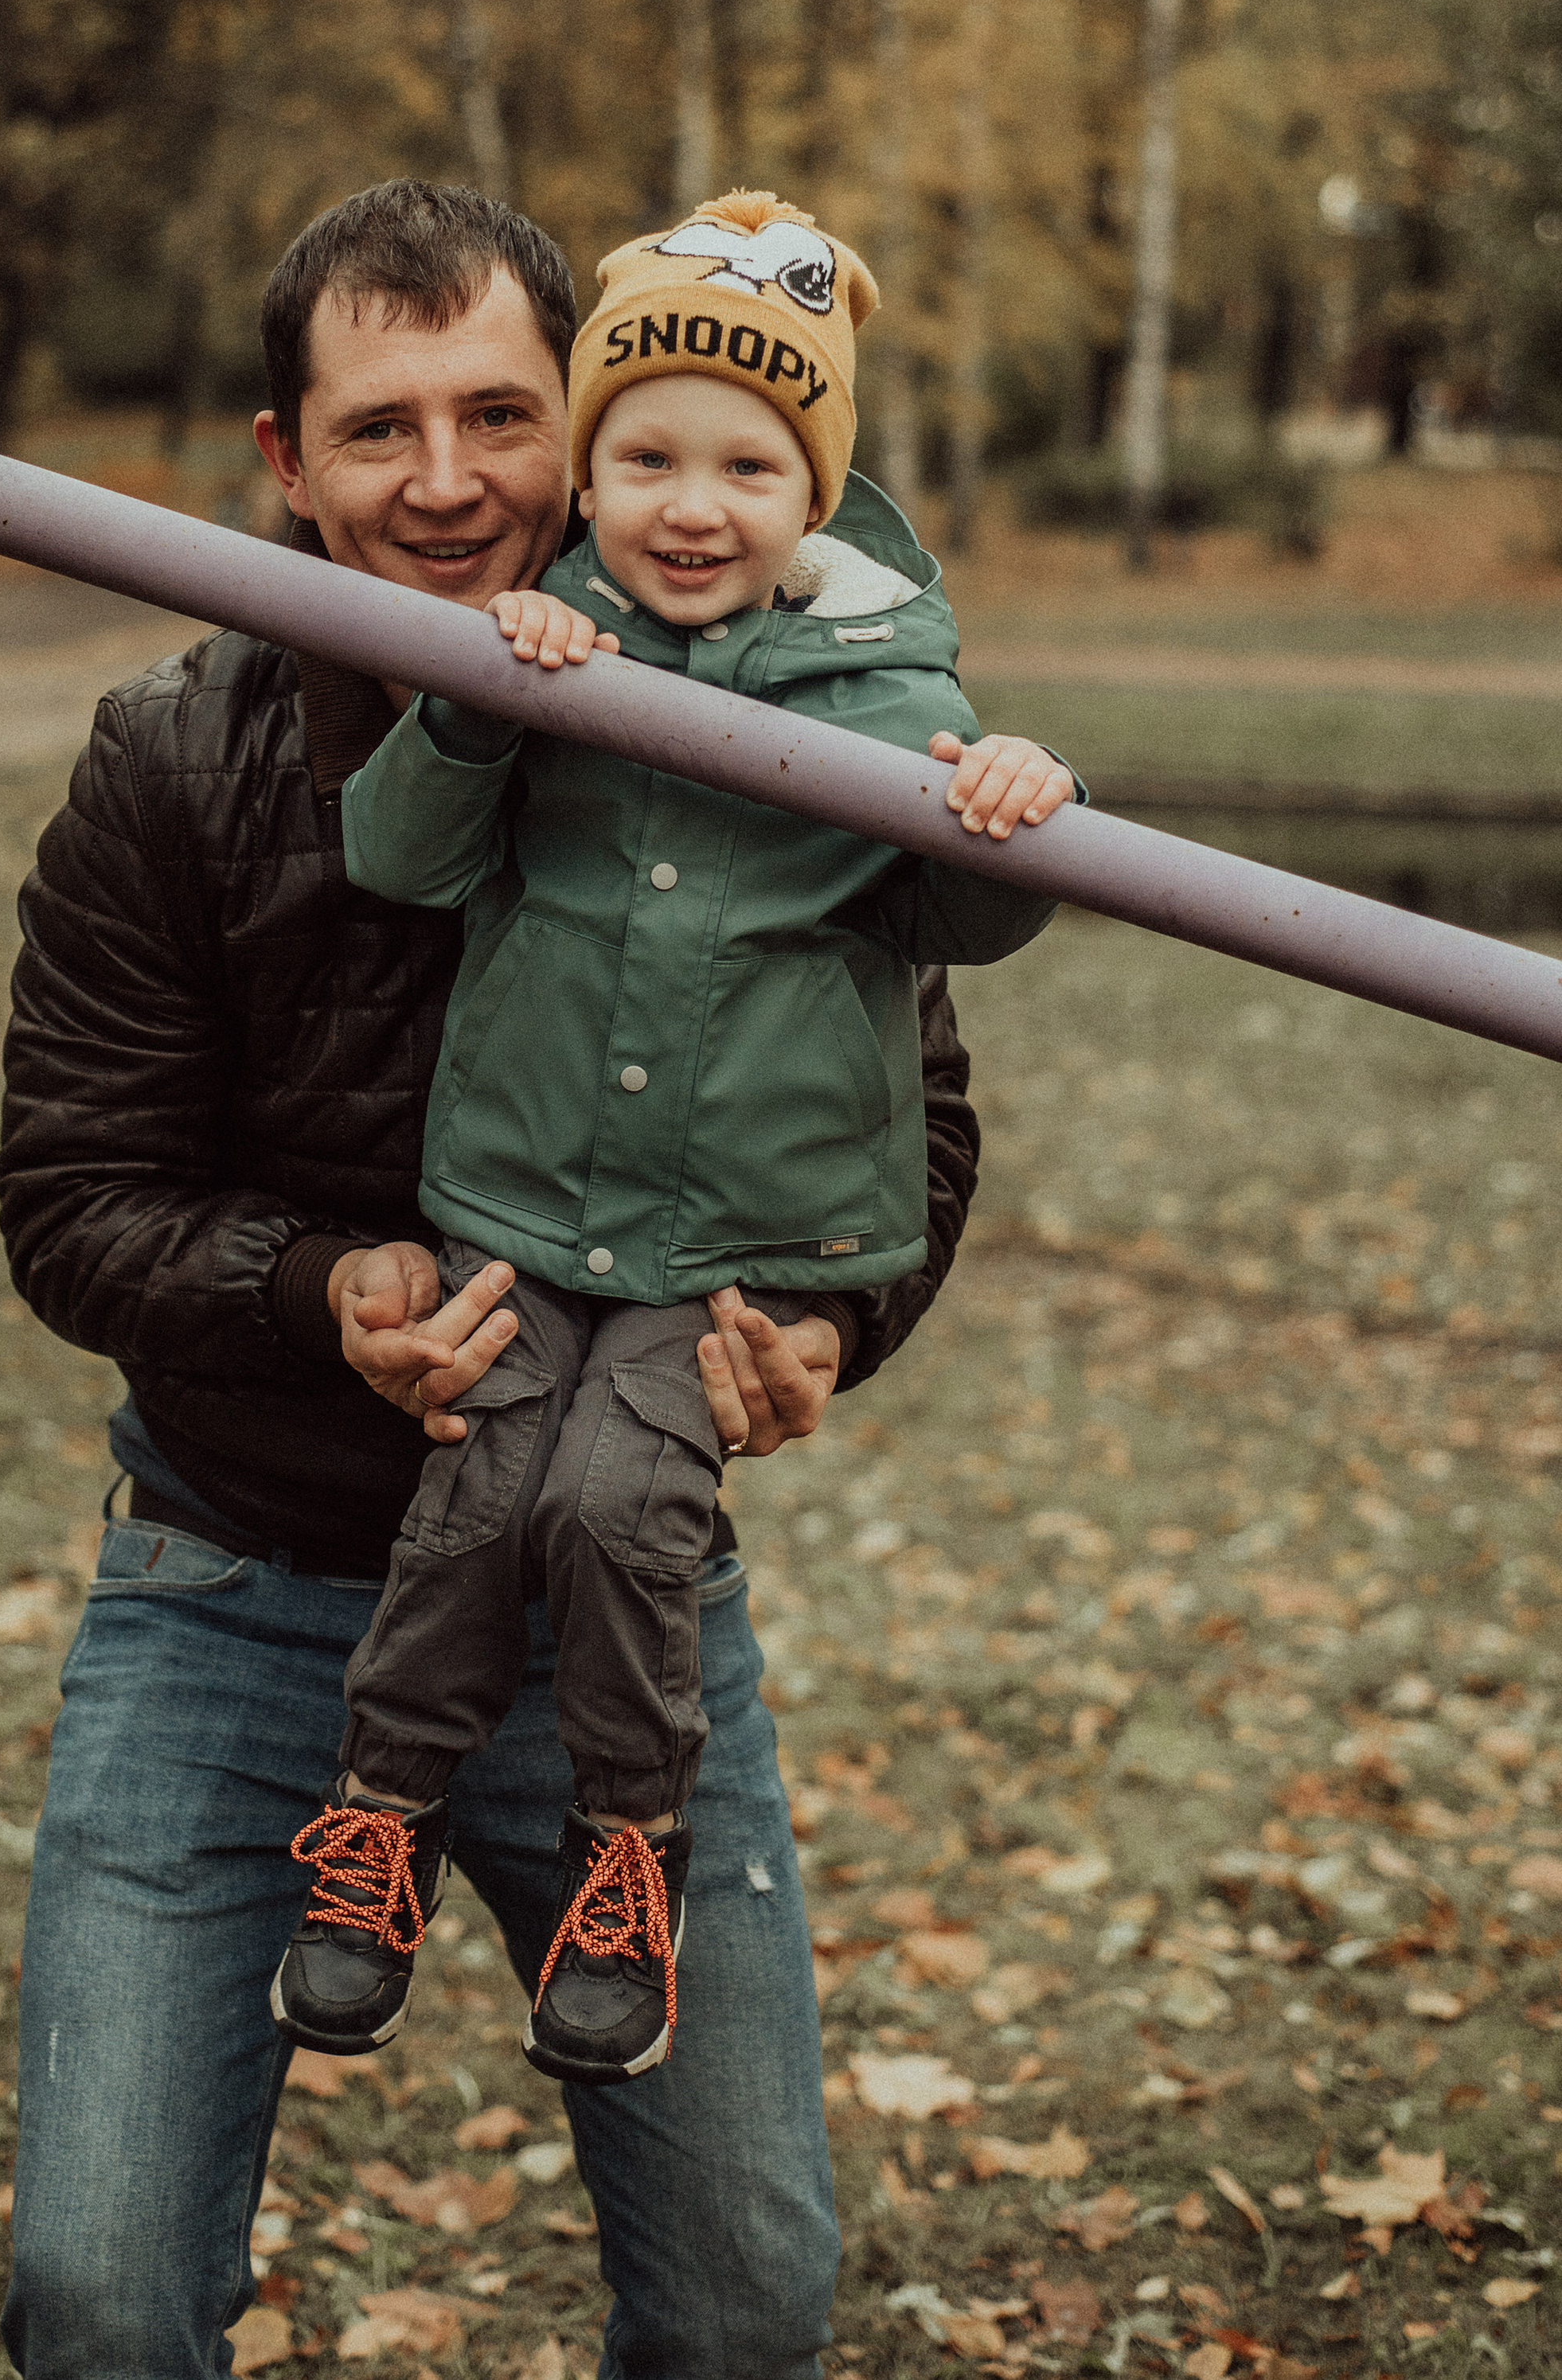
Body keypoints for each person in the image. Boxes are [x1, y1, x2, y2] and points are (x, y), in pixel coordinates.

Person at [0, 180, 1009, 2380]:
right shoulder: (173, 759)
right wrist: (316, 1283)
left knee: (750, 2298)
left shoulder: (760, 739)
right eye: (378, 430)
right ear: (282, 463)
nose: (447, 484)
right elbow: (72, 1195)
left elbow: (912, 1126)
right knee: (90, 2288)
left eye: (497, 413)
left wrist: (826, 1329)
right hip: (233, 1590)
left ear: (590, 422)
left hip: (608, 1607)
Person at [268, 191, 1074, 2093]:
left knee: (619, 1506)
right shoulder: (550, 645)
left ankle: (627, 1854)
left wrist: (1007, 808)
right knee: (475, 1490)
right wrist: (485, 697)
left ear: (817, 496)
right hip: (531, 1214)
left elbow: (957, 943)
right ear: (592, 474)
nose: (691, 504)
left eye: (746, 466)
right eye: (645, 457)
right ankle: (374, 1819)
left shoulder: (889, 691)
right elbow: (400, 855)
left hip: (728, 1257)